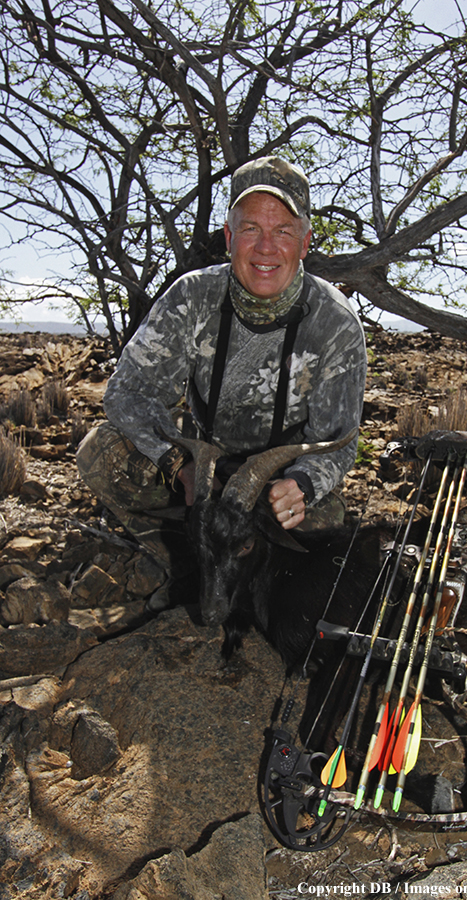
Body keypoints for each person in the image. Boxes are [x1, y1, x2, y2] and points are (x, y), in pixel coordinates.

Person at [77, 156, 367, 607]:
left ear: (306, 242)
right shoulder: (191, 296)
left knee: (323, 520)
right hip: (200, 470)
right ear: (230, 237)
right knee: (101, 453)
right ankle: (182, 562)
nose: (265, 247)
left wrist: (302, 485)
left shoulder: (336, 322)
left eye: (283, 231)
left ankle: (243, 581)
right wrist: (179, 464)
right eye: (251, 229)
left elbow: (338, 441)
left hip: (273, 481)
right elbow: (127, 393)